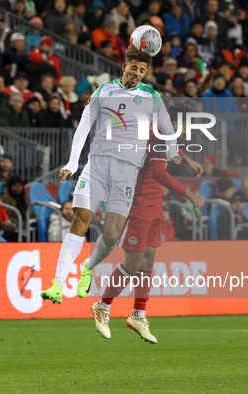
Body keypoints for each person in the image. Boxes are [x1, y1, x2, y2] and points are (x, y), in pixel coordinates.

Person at [40, 46, 203, 306]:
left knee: (112, 236)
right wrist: (72, 162)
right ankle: (57, 284)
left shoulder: (152, 97)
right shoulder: (103, 91)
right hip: (97, 165)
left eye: (143, 70)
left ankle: (88, 267)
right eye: (134, 67)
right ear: (124, 65)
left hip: (127, 173)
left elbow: (165, 131)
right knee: (80, 221)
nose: (137, 73)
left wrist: (176, 154)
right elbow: (83, 127)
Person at [86, 105, 204, 342]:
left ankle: (138, 315)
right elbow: (159, 172)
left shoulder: (160, 134)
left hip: (155, 204)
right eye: (184, 125)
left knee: (148, 261)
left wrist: (187, 160)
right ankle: (103, 305)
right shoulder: (156, 134)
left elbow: (167, 151)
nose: (185, 130)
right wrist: (187, 192)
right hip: (138, 204)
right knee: (133, 262)